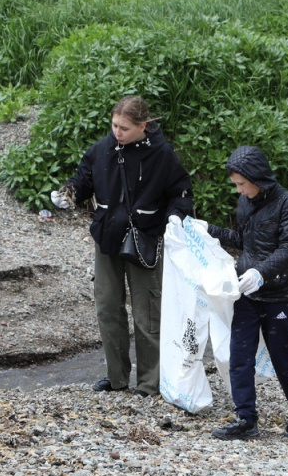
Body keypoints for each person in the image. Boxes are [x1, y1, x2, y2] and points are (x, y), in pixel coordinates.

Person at [49, 96, 193, 397]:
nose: (118, 132)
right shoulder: (101, 151)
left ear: (143, 126)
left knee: (147, 312)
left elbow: (180, 193)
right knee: (107, 309)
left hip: (146, 239)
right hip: (107, 238)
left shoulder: (162, 154)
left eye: (125, 128)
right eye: (114, 125)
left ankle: (149, 383)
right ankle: (116, 379)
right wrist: (69, 193)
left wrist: (176, 218)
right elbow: (82, 181)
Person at [204, 146, 288, 440]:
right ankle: (246, 419)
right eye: (236, 185)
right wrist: (207, 230)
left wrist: (261, 273)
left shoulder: (287, 203)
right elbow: (242, 240)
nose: (239, 190)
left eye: (242, 184)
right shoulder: (245, 203)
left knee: (282, 355)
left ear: (257, 178)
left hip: (279, 294)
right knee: (239, 355)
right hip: (247, 295)